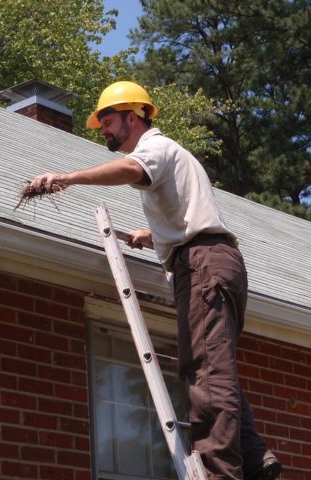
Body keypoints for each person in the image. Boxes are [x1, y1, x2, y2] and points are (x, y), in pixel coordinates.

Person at [29, 81, 282, 480]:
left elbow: (133, 170)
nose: (104, 131)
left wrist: (69, 177)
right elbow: (189, 211)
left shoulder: (156, 148)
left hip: (201, 265)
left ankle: (219, 472)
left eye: (109, 121)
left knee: (205, 371)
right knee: (215, 366)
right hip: (214, 262)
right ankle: (254, 454)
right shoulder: (174, 156)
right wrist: (154, 236)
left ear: (134, 116)